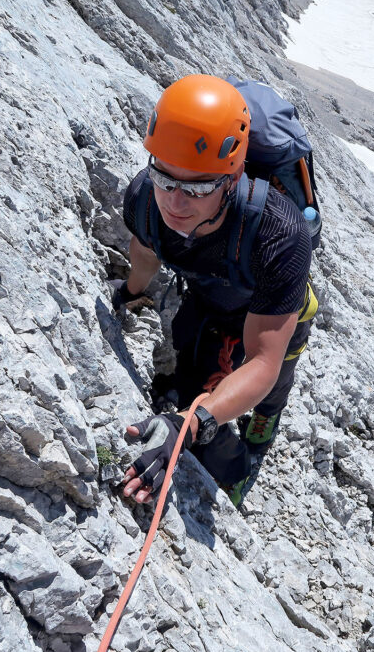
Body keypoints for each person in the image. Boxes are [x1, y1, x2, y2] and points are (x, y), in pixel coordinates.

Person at [112, 74, 316, 507]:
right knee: (195, 393)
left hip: (276, 314)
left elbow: (262, 359)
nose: (176, 203)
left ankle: (257, 441)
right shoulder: (144, 199)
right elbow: (147, 252)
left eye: (199, 186)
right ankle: (226, 444)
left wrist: (190, 425)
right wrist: (131, 292)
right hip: (210, 300)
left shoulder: (279, 235)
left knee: (270, 387)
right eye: (165, 178)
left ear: (234, 174)